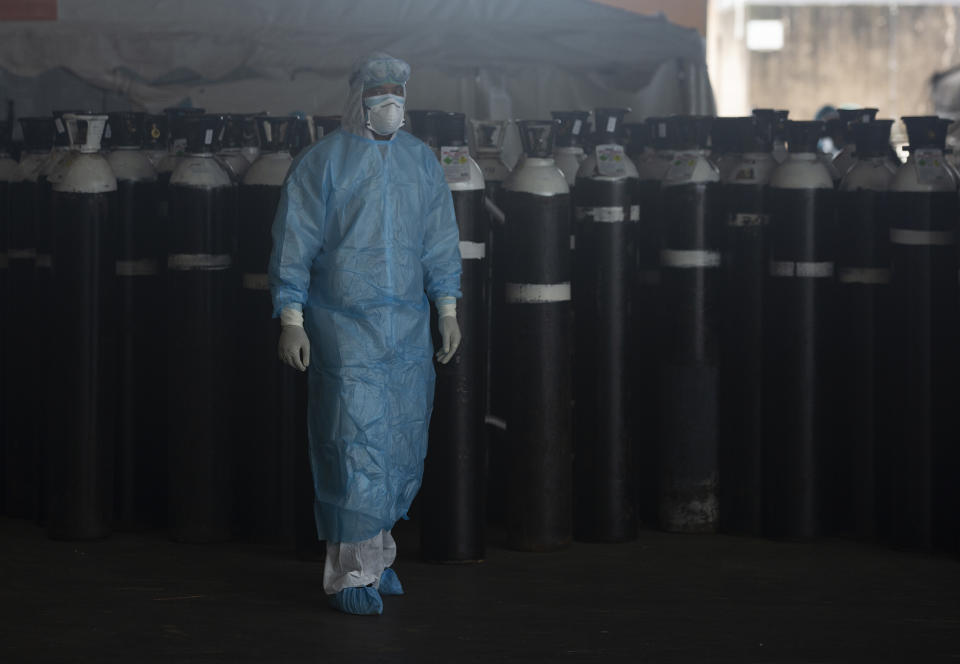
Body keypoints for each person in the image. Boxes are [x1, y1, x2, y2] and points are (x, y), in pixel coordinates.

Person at [268, 52, 462, 616]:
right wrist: (292, 319)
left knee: (399, 442)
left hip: (404, 327)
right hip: (343, 324)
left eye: (398, 96)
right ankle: (349, 574)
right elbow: (294, 244)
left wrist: (446, 307)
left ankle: (378, 557)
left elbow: (439, 241)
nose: (391, 107)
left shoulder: (421, 163)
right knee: (353, 442)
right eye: (380, 97)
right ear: (359, 102)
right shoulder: (323, 162)